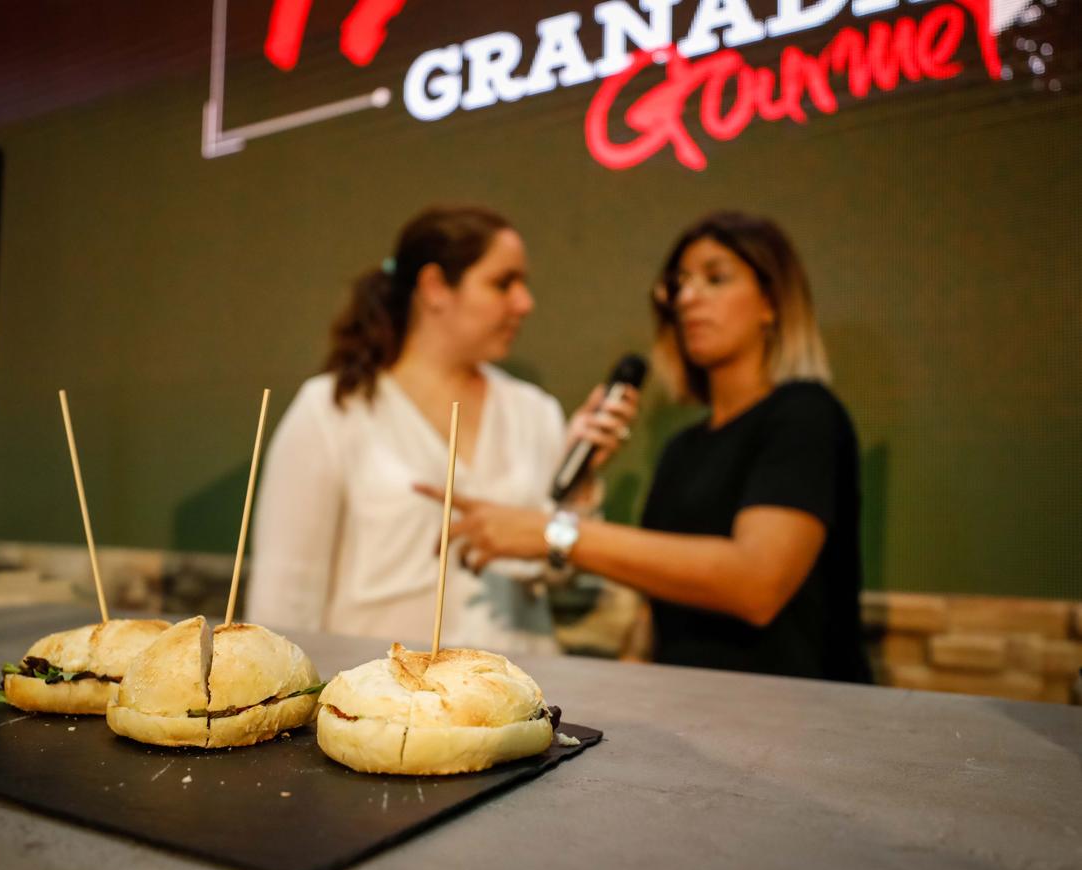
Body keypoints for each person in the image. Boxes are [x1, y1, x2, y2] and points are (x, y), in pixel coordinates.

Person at [426, 211, 871, 682]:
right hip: (688, 703)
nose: (689, 298)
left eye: (715, 279)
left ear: (771, 302)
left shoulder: (805, 415)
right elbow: (658, 601)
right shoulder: (683, 449)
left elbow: (757, 584)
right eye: (680, 284)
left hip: (794, 707)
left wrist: (554, 533)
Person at [246, 205, 637, 654]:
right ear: (435, 287)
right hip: (384, 687)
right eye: (503, 283)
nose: (524, 303)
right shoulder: (333, 409)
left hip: (517, 683)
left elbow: (558, 576)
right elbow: (286, 594)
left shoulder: (533, 411)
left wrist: (577, 488)